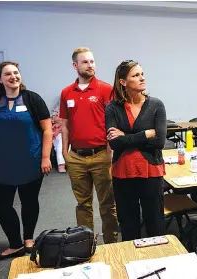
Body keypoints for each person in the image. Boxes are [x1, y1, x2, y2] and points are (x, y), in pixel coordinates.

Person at [0, 61, 52, 260]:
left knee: (29, 201)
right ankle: (14, 243)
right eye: (7, 74)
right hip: (2, 164)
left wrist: (46, 157)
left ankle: (28, 239)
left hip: (31, 160)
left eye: (16, 72)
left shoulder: (32, 99)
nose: (13, 77)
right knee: (0, 203)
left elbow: (47, 130)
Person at [60, 47, 118, 243]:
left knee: (107, 204)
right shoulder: (67, 93)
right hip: (76, 157)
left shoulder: (105, 89)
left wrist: (110, 150)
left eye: (92, 61)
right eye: (85, 62)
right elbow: (65, 124)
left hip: (101, 155)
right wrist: (64, 153)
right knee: (82, 204)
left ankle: (111, 243)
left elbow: (114, 122)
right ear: (75, 65)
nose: (90, 65)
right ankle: (85, 243)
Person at [105, 60, 167, 241]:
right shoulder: (112, 107)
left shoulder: (156, 105)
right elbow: (115, 144)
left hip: (151, 172)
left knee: (155, 224)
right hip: (123, 173)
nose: (142, 78)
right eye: (135, 75)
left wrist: (125, 136)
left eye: (142, 74)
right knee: (128, 226)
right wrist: (146, 133)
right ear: (123, 82)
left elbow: (159, 142)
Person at [51, 101, 66, 173]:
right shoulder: (59, 106)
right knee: (60, 145)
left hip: (71, 131)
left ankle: (67, 163)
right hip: (58, 131)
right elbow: (54, 118)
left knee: (69, 146)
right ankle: (61, 165)